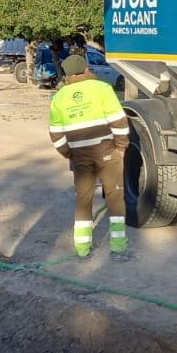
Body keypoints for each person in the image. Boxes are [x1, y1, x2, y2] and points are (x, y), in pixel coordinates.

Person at [47, 54, 130, 258]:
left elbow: (56, 134)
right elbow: (119, 122)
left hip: (80, 157)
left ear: (66, 74)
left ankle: (83, 249)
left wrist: (69, 154)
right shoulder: (102, 89)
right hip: (108, 153)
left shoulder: (58, 98)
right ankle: (118, 246)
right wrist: (121, 147)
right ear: (85, 69)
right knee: (115, 197)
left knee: (83, 200)